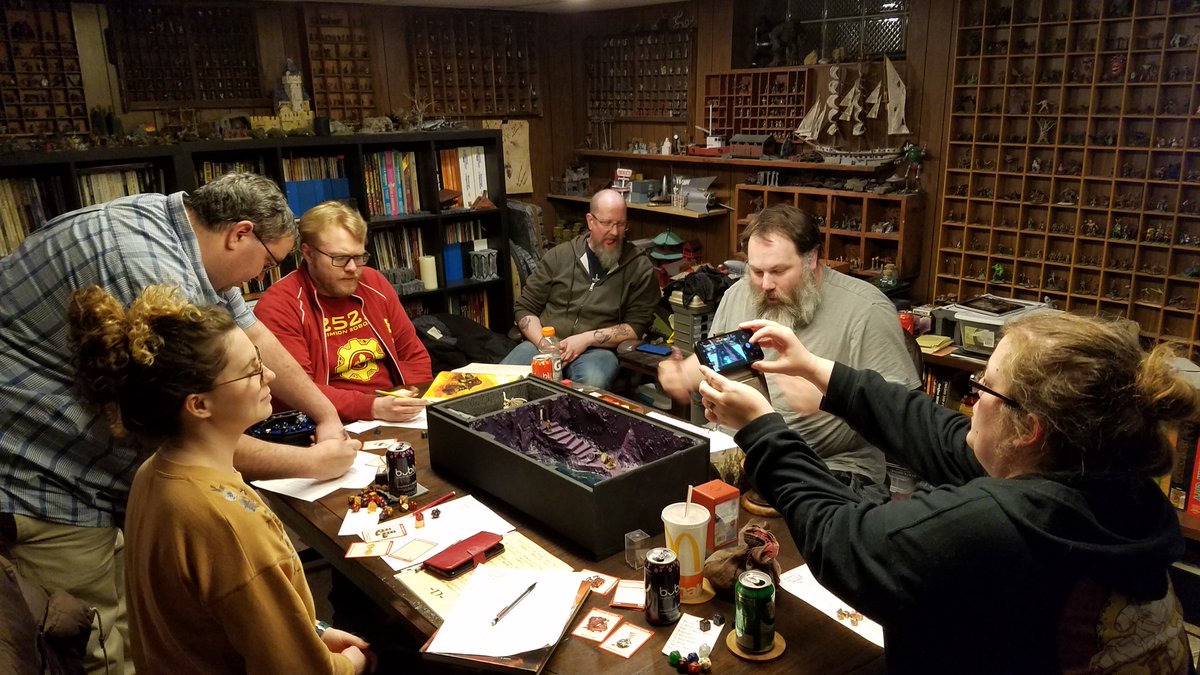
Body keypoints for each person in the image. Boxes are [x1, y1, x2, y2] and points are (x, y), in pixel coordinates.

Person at [697, 313, 1198, 673]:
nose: (972, 395)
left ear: (1030, 430)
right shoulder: (1107, 478)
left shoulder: (1014, 522)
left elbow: (846, 541)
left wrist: (762, 428)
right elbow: (939, 435)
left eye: (986, 387)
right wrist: (815, 368)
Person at [0, 172, 359, 674]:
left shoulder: (180, 227)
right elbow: (203, 427)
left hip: (101, 471)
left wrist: (325, 413)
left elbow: (246, 335)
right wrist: (313, 461)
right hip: (46, 478)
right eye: (268, 265)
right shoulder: (145, 270)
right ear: (240, 232)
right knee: (99, 648)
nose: (259, 280)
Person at [68, 284, 372, 674]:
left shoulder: (156, 473)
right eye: (251, 371)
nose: (271, 375)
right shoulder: (225, 521)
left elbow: (215, 612)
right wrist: (351, 662)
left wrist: (311, 630)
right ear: (199, 404)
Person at [658, 204, 920, 495]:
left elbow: (903, 420)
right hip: (738, 457)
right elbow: (722, 358)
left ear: (811, 259)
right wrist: (685, 372)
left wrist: (834, 396)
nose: (766, 284)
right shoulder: (738, 295)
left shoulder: (866, 310)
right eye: (756, 271)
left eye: (779, 271)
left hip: (828, 470)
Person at [255, 201, 432, 422]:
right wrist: (372, 407)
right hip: (327, 419)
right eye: (339, 258)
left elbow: (413, 355)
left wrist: (411, 397)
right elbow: (299, 392)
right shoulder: (280, 305)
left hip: (394, 407)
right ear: (308, 254)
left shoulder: (374, 282)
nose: (352, 269)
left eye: (358, 257)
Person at [501, 188, 659, 389]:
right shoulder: (559, 256)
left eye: (621, 224)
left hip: (597, 351)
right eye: (607, 223)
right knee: (502, 379)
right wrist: (544, 344)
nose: (615, 232)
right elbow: (525, 309)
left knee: (592, 383)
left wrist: (585, 340)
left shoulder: (639, 267)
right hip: (544, 344)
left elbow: (635, 327)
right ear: (590, 221)